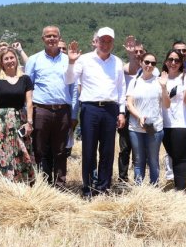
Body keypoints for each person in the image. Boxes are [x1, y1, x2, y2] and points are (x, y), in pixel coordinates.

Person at [66, 27, 126, 196]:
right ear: (96, 41)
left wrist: (121, 112)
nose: (105, 44)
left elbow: (121, 88)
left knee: (107, 151)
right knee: (89, 150)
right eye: (102, 41)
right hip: (90, 108)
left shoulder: (117, 62)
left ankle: (103, 187)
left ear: (113, 43)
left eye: (109, 41)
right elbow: (69, 79)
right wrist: (71, 62)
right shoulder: (83, 59)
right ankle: (88, 187)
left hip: (110, 108)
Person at [24, 26, 74, 188]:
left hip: (62, 111)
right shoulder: (34, 59)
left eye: (54, 36)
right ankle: (42, 184)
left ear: (59, 38)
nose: (51, 39)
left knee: (60, 150)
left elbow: (73, 89)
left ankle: (60, 185)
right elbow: (28, 88)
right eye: (48, 36)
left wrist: (74, 114)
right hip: (41, 110)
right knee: (39, 149)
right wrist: (28, 115)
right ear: (43, 39)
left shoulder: (69, 60)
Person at [0, 46, 35, 183]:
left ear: (16, 59)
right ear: (1, 62)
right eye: (6, 59)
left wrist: (29, 122)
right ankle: (5, 184)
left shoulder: (25, 79)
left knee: (21, 151)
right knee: (2, 152)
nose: (10, 61)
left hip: (19, 119)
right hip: (1, 121)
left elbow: (29, 102)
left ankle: (25, 182)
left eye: (12, 57)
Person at [160, 49, 186, 191]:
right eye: (170, 59)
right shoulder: (161, 78)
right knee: (172, 155)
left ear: (182, 63)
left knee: (180, 157)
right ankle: (178, 185)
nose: (173, 63)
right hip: (165, 123)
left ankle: (180, 190)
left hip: (182, 123)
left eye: (177, 60)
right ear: (166, 61)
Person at [126, 52, 164, 185]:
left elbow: (166, 104)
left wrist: (164, 87)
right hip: (136, 128)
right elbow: (129, 104)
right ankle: (139, 189)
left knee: (153, 160)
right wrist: (140, 117)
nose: (149, 65)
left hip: (155, 127)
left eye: (153, 63)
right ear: (141, 63)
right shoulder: (134, 82)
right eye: (147, 62)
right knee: (138, 160)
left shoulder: (159, 82)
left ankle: (154, 187)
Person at [119, 37, 153, 183]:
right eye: (136, 51)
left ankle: (140, 179)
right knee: (125, 147)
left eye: (141, 51)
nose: (138, 53)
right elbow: (132, 68)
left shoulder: (153, 71)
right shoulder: (126, 68)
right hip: (128, 112)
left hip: (146, 112)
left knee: (144, 147)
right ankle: (123, 178)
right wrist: (131, 55)